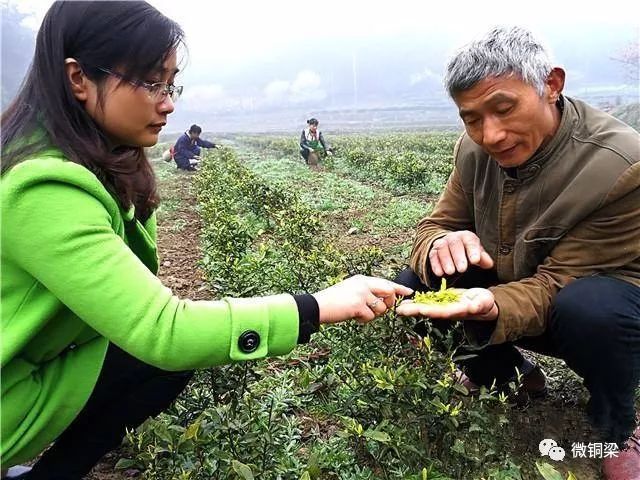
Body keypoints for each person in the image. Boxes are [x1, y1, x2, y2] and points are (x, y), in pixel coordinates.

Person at [0, 2, 413, 479]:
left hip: (32, 367)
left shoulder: (94, 161)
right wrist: (317, 305)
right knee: (165, 351)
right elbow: (163, 329)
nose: (168, 102)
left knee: (157, 360)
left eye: (171, 84)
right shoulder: (40, 187)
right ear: (78, 79)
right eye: (151, 83)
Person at [395, 26, 639, 479]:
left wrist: (492, 303)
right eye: (472, 118)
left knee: (594, 310)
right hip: (515, 288)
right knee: (416, 285)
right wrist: (439, 245)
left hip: (590, 302)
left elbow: (560, 283)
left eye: (504, 108)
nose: (491, 134)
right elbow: (436, 224)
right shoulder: (473, 150)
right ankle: (508, 377)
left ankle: (616, 427)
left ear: (551, 85)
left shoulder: (621, 165)